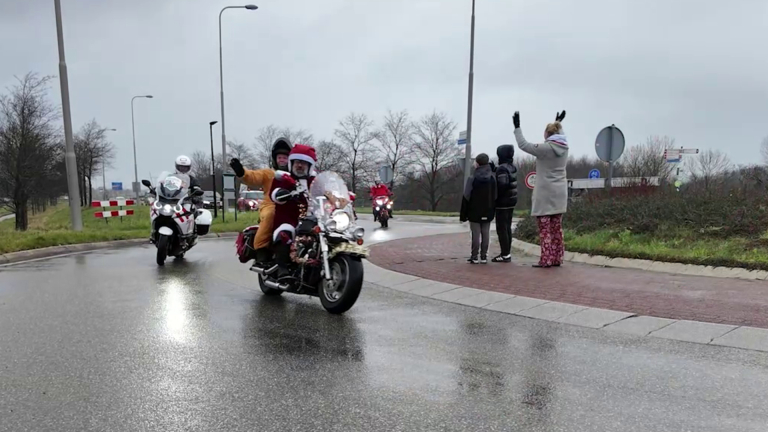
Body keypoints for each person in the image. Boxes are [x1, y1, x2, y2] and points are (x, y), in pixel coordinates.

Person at [513, 110, 568, 268]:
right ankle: (558, 257)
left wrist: (517, 127)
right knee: (556, 228)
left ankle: (546, 259)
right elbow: (558, 133)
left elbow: (523, 145)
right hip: (560, 193)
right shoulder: (564, 148)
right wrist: (558, 121)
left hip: (545, 193)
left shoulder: (544, 149)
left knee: (545, 229)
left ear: (547, 134)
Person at [229, 138, 292, 263]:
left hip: (292, 206)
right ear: (275, 159)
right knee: (271, 214)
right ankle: (261, 249)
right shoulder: (269, 173)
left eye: (285, 157)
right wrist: (242, 172)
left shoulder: (296, 174)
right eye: (279, 157)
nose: (282, 160)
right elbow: (254, 177)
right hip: (271, 204)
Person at [270, 144, 317, 277]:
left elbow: (326, 191)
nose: (300, 166)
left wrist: (339, 196)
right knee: (285, 232)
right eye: (297, 162)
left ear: (310, 166)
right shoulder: (284, 178)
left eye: (304, 163)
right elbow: (274, 193)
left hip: (313, 219)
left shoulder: (314, 180)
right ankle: (282, 267)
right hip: (289, 218)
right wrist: (281, 193)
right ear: (291, 163)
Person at [460, 153, 497, 264]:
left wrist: (464, 213)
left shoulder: (472, 178)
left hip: (474, 210)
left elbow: (466, 195)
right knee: (486, 233)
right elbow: (495, 195)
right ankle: (484, 256)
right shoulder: (492, 178)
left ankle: (474, 256)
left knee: (475, 233)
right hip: (488, 209)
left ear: (477, 163)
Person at [492, 145, 518, 263]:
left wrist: (494, 197)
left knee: (501, 228)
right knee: (507, 227)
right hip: (511, 201)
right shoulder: (512, 167)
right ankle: (507, 252)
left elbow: (502, 184)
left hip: (503, 202)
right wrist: (495, 169)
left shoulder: (502, 169)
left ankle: (505, 254)